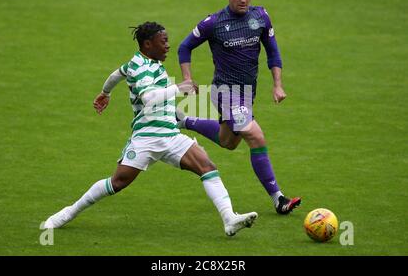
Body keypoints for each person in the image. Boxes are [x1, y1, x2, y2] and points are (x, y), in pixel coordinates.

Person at [43, 22, 258, 237]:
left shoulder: (142, 62)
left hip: (170, 135)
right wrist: (178, 88)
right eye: (163, 41)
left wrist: (105, 92)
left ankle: (229, 219)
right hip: (146, 137)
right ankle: (67, 213)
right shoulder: (142, 68)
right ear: (148, 44)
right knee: (117, 182)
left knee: (207, 167)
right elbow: (148, 98)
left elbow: (117, 73)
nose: (168, 46)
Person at [177, 0, 301, 214]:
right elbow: (184, 47)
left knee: (228, 142)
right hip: (225, 91)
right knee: (256, 136)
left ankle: (184, 119)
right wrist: (187, 79)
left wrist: (277, 84)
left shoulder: (261, 17)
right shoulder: (213, 23)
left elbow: (273, 53)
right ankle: (279, 199)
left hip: (246, 94)